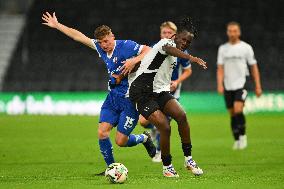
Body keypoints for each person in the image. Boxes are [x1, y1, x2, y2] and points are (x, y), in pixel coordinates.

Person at [41, 12, 156, 174]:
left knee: (121, 141)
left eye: (107, 41)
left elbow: (150, 50)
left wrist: (134, 60)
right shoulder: (101, 48)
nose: (104, 45)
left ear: (112, 37)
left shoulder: (126, 46)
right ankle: (111, 168)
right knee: (102, 132)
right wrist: (57, 25)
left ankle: (144, 138)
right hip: (113, 99)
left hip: (130, 100)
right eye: (101, 42)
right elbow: (78, 36)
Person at [128, 18, 207, 177]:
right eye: (183, 39)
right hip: (141, 92)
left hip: (159, 91)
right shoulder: (166, 43)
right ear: (176, 36)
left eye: (188, 42)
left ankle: (188, 159)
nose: (185, 43)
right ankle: (167, 166)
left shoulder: (177, 50)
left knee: (182, 116)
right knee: (164, 126)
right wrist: (191, 58)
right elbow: (168, 49)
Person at [139, 21, 192, 163]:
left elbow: (188, 71)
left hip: (172, 92)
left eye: (169, 33)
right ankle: (153, 134)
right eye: (164, 32)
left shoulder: (181, 50)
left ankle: (160, 152)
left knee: (166, 122)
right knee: (143, 122)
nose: (167, 35)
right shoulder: (155, 48)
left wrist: (177, 82)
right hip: (154, 91)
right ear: (160, 34)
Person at [217, 21, 262, 150]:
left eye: (234, 31)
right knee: (232, 113)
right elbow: (220, 68)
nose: (232, 33)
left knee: (238, 109)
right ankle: (236, 139)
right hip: (228, 84)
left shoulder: (246, 48)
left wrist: (258, 86)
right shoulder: (223, 49)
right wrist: (220, 84)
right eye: (230, 31)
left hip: (242, 82)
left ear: (239, 32)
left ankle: (243, 136)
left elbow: (253, 67)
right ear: (227, 32)